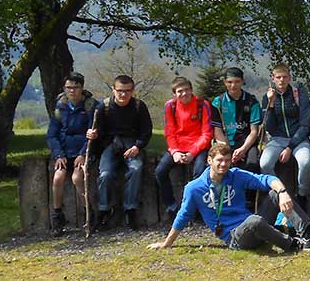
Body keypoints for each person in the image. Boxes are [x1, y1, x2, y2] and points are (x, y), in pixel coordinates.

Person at [147, 144, 310, 253]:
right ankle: (293, 245)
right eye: (219, 160)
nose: (223, 164)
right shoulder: (194, 188)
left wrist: (282, 193)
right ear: (209, 161)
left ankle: (309, 236)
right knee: (255, 221)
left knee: (277, 192)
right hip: (235, 238)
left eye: (227, 160)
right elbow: (182, 216)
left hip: (252, 223)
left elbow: (267, 179)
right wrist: (166, 243)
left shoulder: (235, 174)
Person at [86, 75, 153, 231]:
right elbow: (97, 131)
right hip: (110, 144)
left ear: (133, 90)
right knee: (105, 174)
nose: (123, 95)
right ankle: (104, 209)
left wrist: (138, 146)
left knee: (136, 169)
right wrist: (93, 136)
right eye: (120, 91)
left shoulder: (139, 106)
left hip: (132, 143)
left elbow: (146, 131)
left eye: (127, 91)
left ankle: (130, 209)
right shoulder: (103, 107)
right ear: (113, 89)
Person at [46, 72, 101, 236]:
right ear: (64, 88)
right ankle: (57, 217)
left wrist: (83, 153)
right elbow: (52, 134)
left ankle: (88, 215)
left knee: (78, 178)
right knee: (58, 178)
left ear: (82, 88)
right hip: (64, 151)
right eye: (69, 87)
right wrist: (58, 154)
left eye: (76, 87)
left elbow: (93, 134)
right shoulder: (60, 107)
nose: (72, 91)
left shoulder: (92, 106)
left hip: (82, 151)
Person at [157, 77, 214, 219]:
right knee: (160, 171)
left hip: (199, 146)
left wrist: (192, 153)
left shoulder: (203, 105)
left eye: (187, 90)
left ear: (191, 90)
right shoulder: (170, 106)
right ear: (174, 94)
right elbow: (170, 132)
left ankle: (196, 209)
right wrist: (175, 152)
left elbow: (207, 134)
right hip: (178, 146)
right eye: (179, 91)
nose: (184, 94)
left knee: (200, 172)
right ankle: (171, 206)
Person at [259, 64, 310, 211]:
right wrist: (270, 105)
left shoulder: (299, 94)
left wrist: (290, 146)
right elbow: (268, 127)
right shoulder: (268, 97)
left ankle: (302, 196)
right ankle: (278, 193)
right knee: (265, 164)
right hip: (277, 138)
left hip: (298, 138)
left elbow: (305, 124)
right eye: (278, 77)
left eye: (284, 77)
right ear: (273, 78)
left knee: (305, 162)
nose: (281, 80)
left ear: (289, 78)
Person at [210, 67, 262, 173]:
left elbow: (254, 131)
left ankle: (250, 190)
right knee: (219, 166)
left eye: (237, 82)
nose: (233, 85)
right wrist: (227, 149)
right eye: (229, 82)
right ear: (224, 82)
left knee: (252, 166)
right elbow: (217, 130)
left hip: (246, 143)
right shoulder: (217, 102)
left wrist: (243, 149)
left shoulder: (252, 102)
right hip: (224, 143)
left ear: (243, 82)